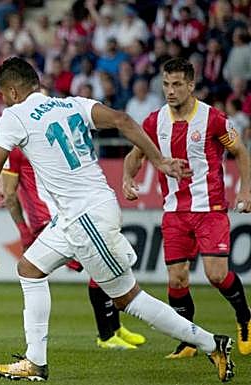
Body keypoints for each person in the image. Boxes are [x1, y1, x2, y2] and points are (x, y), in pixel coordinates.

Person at [0, 57, 234, 382]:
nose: (2, 100)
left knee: (129, 299)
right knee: (29, 269)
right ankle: (35, 361)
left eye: (2, 94)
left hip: (86, 217)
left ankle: (212, 343)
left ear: (13, 90)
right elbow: (124, 120)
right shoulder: (73, 104)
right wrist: (158, 160)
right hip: (80, 213)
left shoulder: (14, 115)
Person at [123, 57, 251, 358]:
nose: (170, 90)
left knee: (216, 274)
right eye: (166, 84)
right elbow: (135, 154)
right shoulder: (155, 121)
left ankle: (245, 318)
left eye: (177, 84)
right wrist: (128, 177)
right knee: (177, 279)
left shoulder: (213, 118)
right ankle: (189, 340)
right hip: (174, 211)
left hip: (210, 208)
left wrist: (246, 189)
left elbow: (241, 151)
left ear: (191, 85)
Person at [0, 147, 146, 350]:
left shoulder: (47, 139)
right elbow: (8, 193)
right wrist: (23, 229)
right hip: (48, 221)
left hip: (69, 214)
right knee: (100, 267)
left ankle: (115, 328)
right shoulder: (15, 149)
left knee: (104, 266)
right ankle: (106, 336)